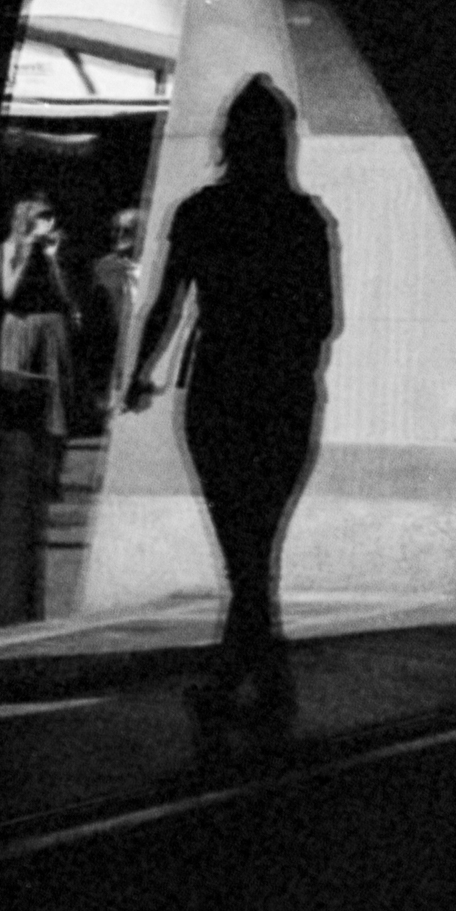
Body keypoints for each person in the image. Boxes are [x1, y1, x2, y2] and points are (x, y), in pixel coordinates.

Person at [122, 76, 336, 724]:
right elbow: (322, 319)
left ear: (228, 140)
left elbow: (166, 304)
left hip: (216, 387)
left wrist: (140, 372)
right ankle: (259, 682)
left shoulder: (199, 213)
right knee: (256, 545)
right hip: (284, 395)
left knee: (241, 545)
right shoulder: (305, 220)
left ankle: (248, 682)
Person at [0, 193, 79, 495]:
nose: (50, 222)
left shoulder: (53, 251)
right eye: (43, 217)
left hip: (52, 326)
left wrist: (53, 259)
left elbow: (66, 296)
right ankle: (17, 476)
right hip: (19, 324)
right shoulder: (9, 248)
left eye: (51, 216)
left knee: (57, 401)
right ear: (27, 220)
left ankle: (51, 477)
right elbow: (8, 291)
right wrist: (27, 252)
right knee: (17, 396)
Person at [88, 207, 143, 415]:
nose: (119, 235)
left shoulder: (149, 267)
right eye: (116, 230)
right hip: (113, 341)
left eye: (126, 230)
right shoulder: (104, 267)